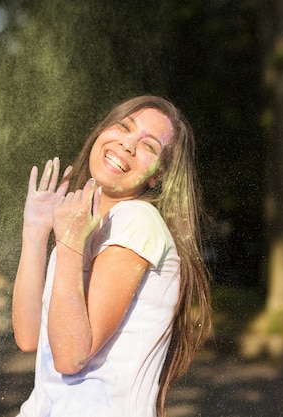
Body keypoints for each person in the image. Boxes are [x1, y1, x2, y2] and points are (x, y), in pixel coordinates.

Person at [12, 95, 212, 417]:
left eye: (149, 146)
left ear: (157, 176)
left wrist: (68, 245)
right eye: (124, 127)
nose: (128, 145)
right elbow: (30, 336)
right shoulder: (83, 230)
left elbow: (70, 356)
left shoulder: (137, 220)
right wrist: (36, 230)